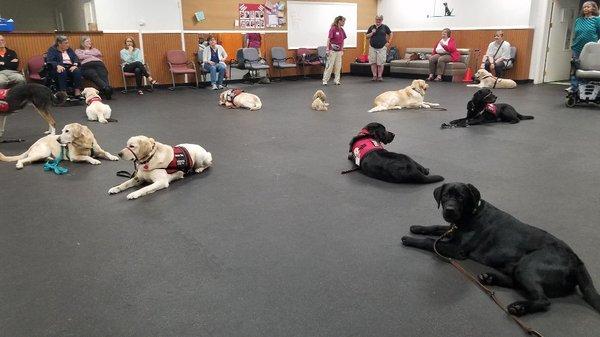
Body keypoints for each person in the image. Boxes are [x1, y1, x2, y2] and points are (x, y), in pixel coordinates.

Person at [568, 1, 600, 93]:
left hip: (591, 50)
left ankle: (586, 88)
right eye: (584, 7)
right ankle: (574, 88)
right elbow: (576, 33)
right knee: (575, 68)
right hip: (577, 48)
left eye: (588, 7)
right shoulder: (579, 20)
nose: (585, 8)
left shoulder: (597, 20)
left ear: (593, 8)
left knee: (587, 68)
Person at [366, 15, 392, 81]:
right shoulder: (372, 27)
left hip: (382, 47)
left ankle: (380, 76)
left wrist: (388, 42)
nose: (378, 21)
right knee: (373, 62)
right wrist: (372, 32)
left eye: (379, 19)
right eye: (377, 19)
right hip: (372, 47)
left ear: (382, 20)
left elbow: (391, 34)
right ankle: (374, 76)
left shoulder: (385, 27)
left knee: (380, 63)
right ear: (375, 19)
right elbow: (367, 36)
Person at [322, 16, 347, 86]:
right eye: (343, 21)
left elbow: (342, 41)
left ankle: (336, 80)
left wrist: (342, 49)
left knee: (338, 66)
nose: (344, 23)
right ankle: (325, 80)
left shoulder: (342, 30)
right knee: (330, 66)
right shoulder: (333, 29)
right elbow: (329, 39)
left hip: (339, 51)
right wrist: (327, 49)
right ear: (339, 21)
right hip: (332, 50)